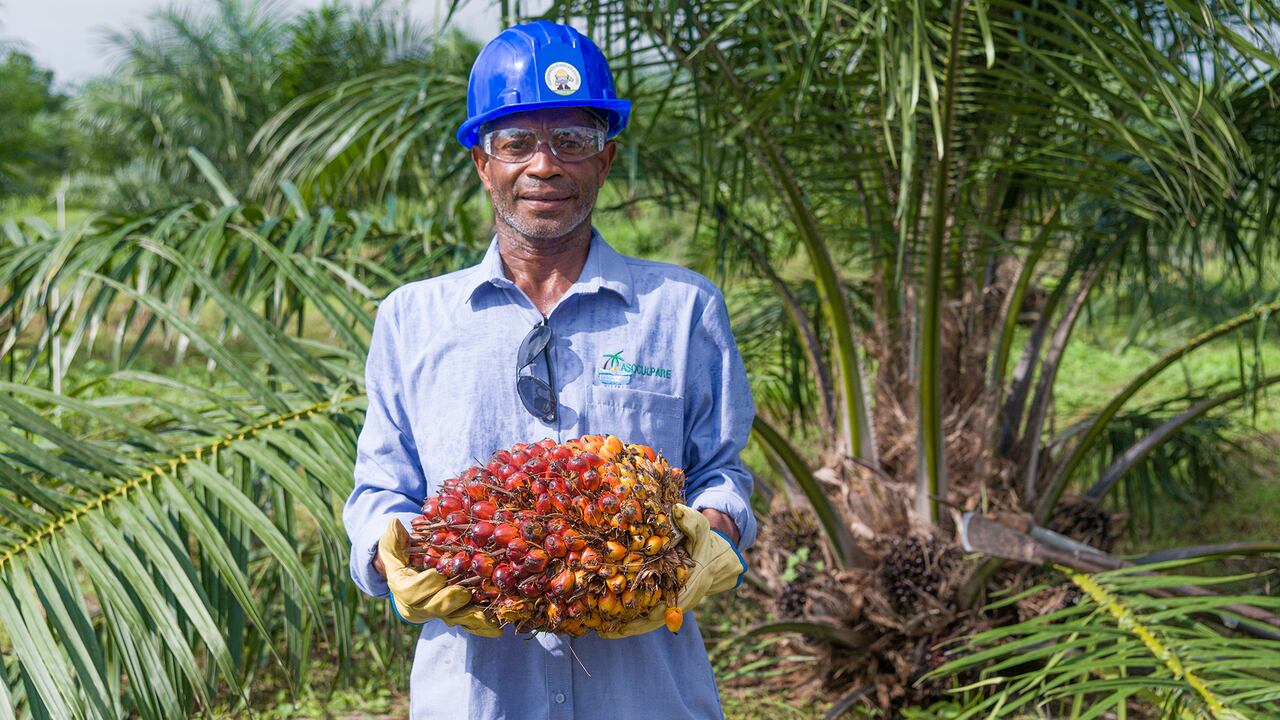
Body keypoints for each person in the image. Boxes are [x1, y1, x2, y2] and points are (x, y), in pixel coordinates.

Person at [343, 19, 756, 720]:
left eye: (573, 141)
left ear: (606, 158)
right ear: (482, 161)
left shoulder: (682, 310)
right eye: (517, 143)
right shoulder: (412, 319)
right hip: (477, 699)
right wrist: (390, 551)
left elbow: (723, 472)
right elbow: (381, 490)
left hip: (648, 698)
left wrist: (710, 531)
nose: (545, 165)